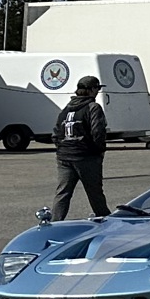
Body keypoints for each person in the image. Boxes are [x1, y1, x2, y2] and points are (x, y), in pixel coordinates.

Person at [52, 75, 110, 219]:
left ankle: (54, 222)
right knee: (95, 193)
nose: (97, 92)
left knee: (63, 193)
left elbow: (56, 134)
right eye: (96, 88)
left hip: (64, 157)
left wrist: (62, 149)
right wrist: (100, 151)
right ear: (90, 90)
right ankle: (106, 220)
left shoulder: (66, 109)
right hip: (86, 156)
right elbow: (98, 132)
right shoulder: (93, 107)